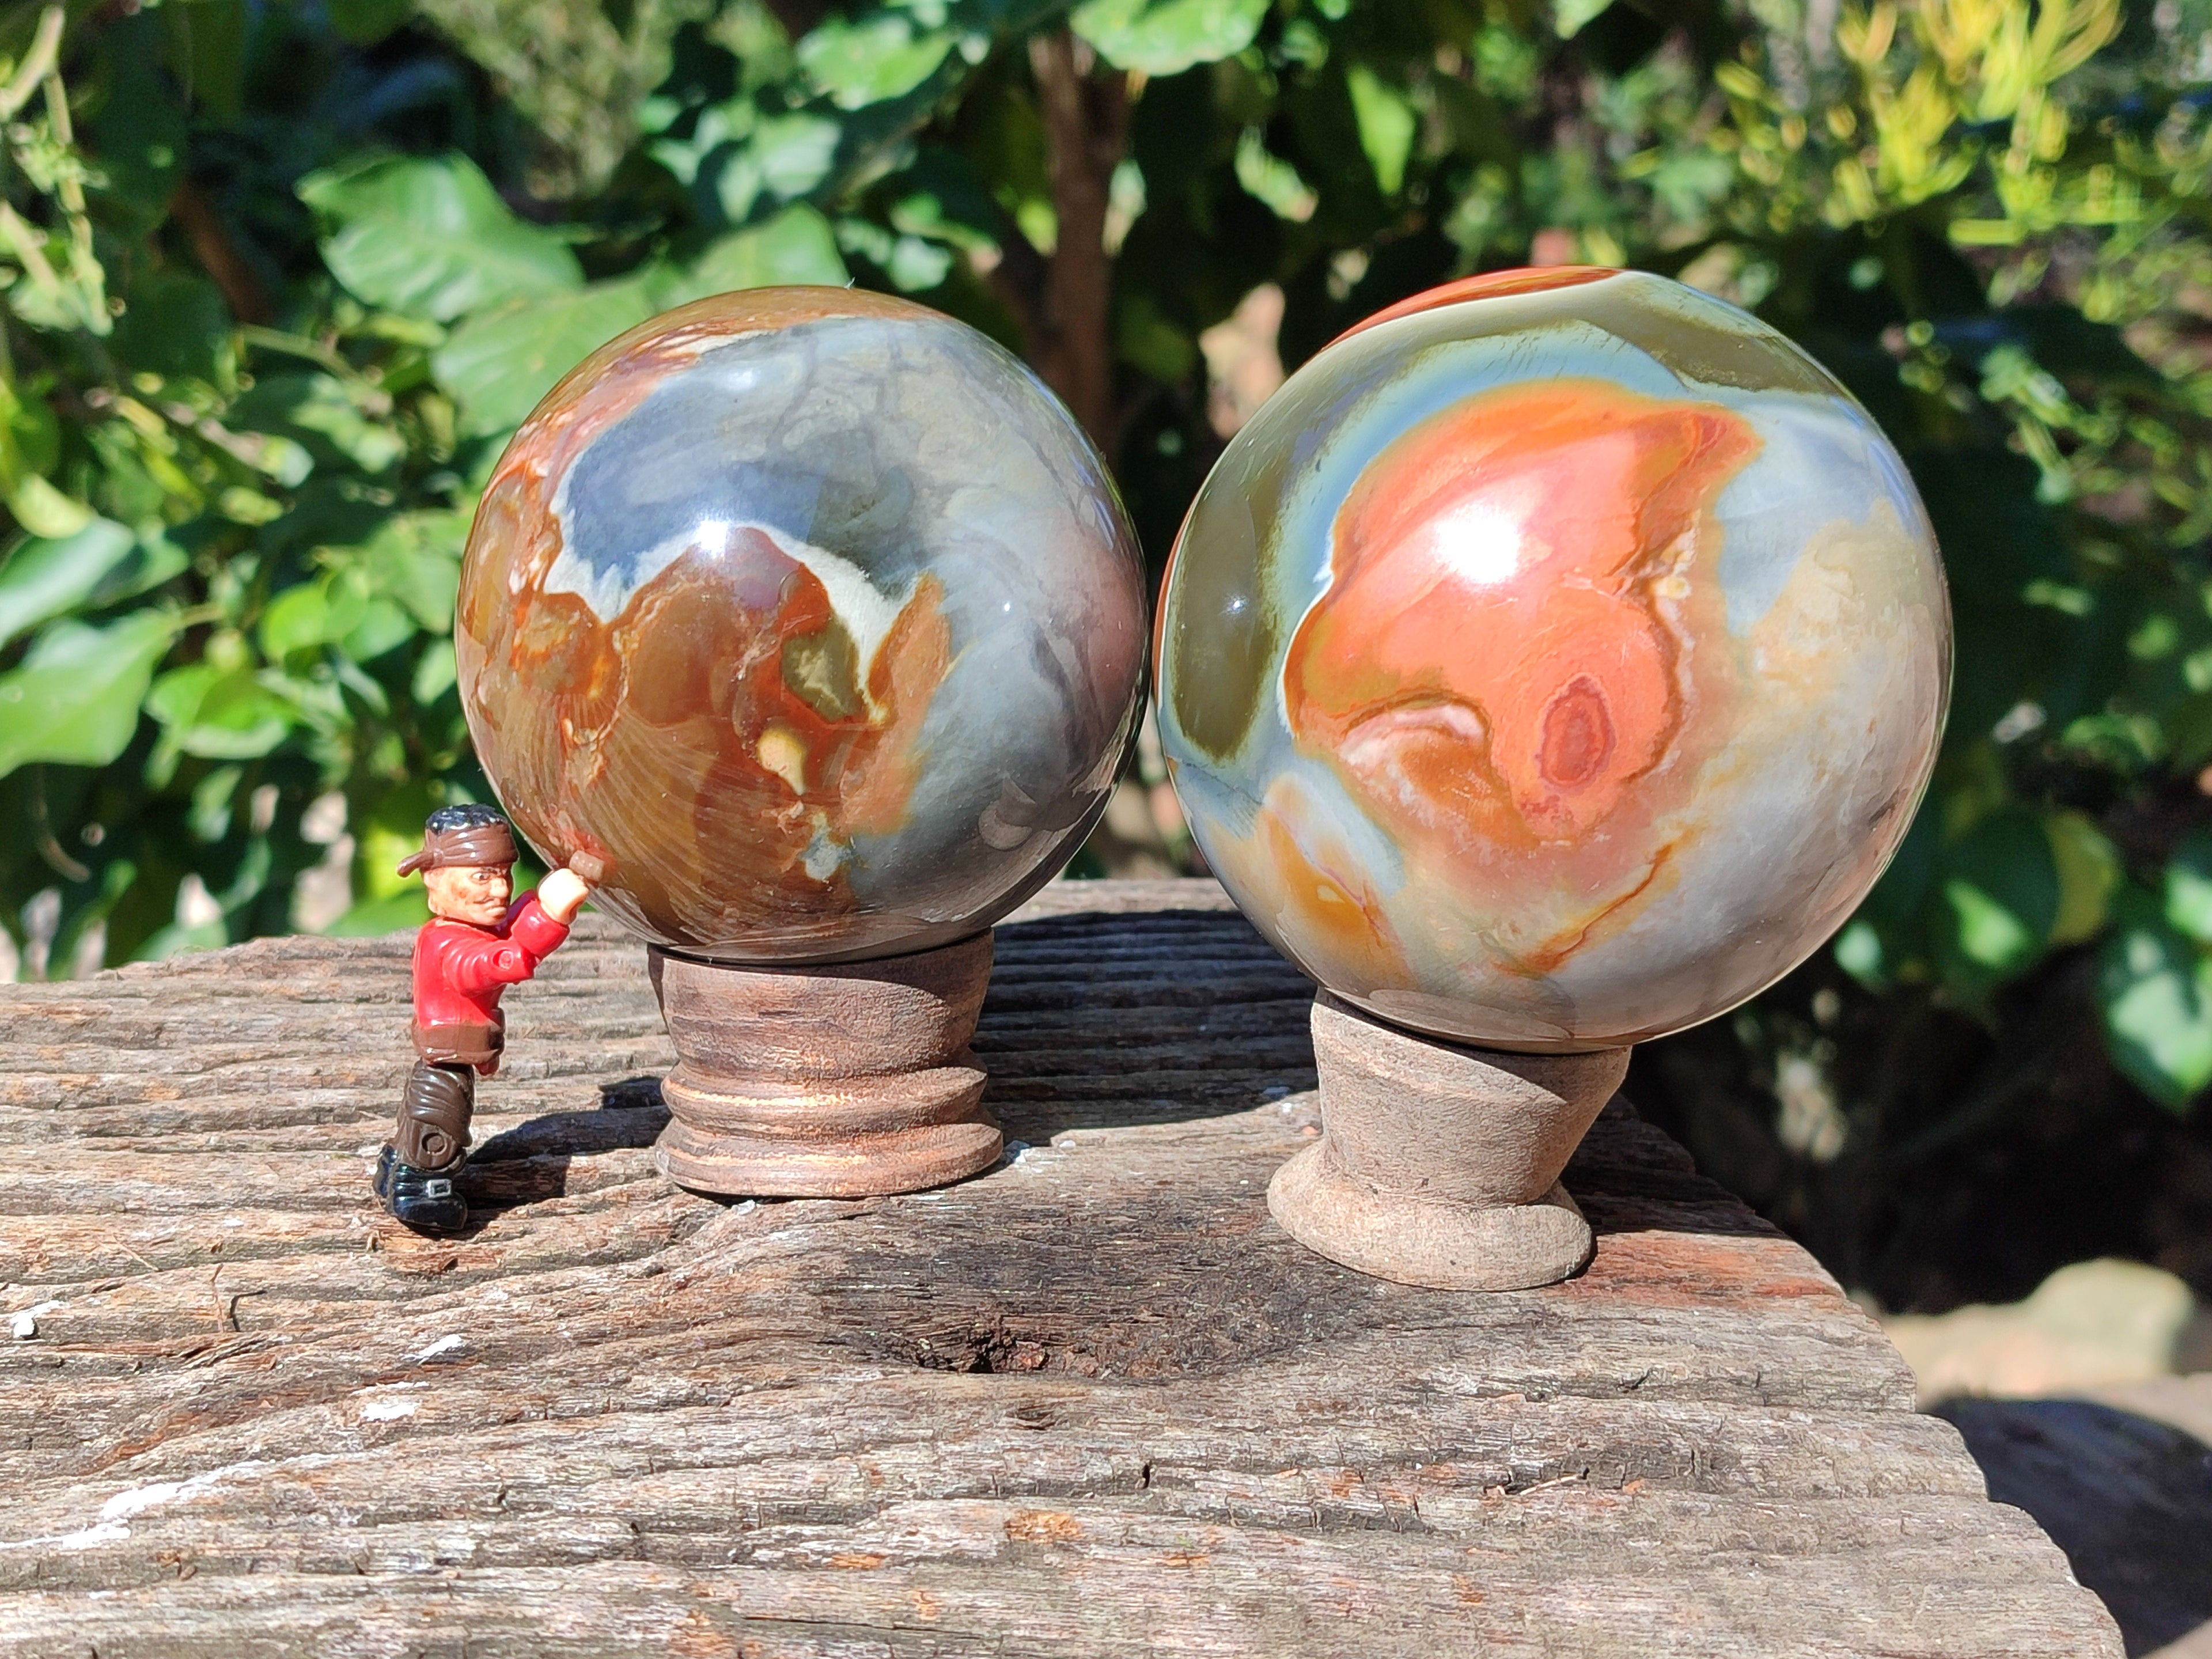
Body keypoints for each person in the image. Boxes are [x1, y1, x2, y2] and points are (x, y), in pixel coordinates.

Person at [374, 804, 594, 1234]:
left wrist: (539, 900)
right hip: (446, 1058)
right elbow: (498, 961)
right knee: (440, 1122)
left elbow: (506, 931)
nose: (499, 890)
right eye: (481, 877)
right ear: (435, 881)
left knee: (427, 1115)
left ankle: (396, 1166)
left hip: (451, 1055)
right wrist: (553, 915)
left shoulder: (462, 929)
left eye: (504, 875)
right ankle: (419, 1187)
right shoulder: (449, 944)